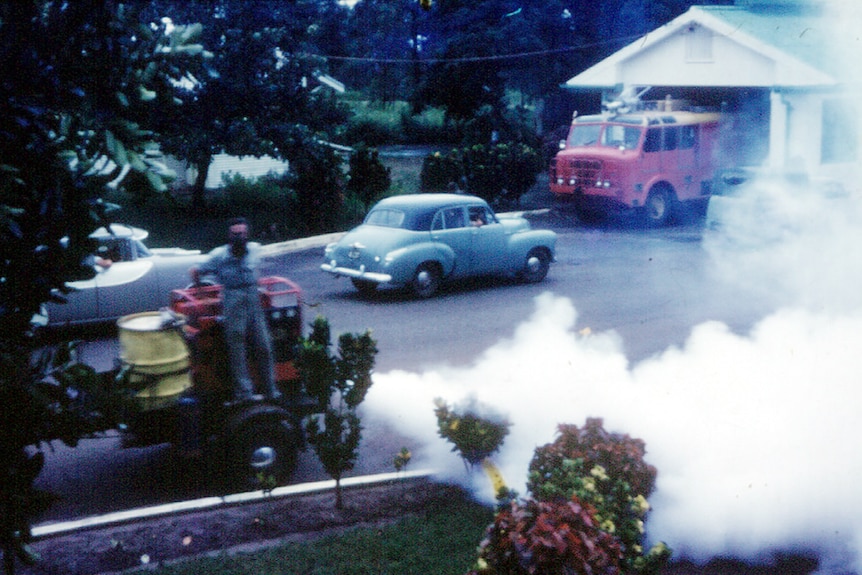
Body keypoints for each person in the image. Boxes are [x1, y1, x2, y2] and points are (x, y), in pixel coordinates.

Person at [189, 217, 281, 402]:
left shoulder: (254, 249)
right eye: (235, 234)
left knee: (263, 345)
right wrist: (202, 295)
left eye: (242, 234)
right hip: (232, 298)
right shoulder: (219, 255)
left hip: (253, 297)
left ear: (247, 234)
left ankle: (271, 390)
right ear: (229, 236)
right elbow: (195, 271)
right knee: (236, 346)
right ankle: (244, 393)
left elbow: (257, 270)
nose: (239, 237)